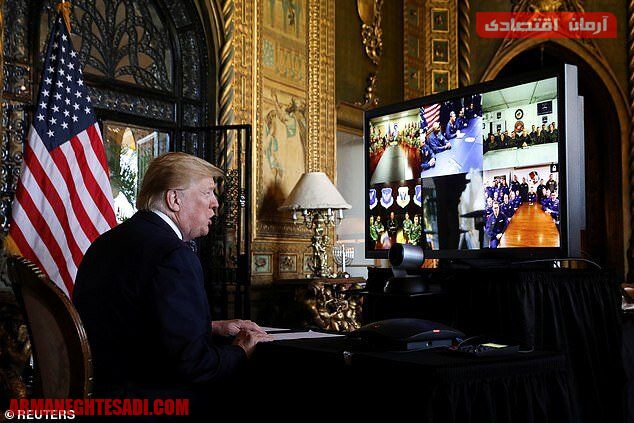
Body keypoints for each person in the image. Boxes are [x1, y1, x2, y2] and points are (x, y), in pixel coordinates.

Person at [73, 153, 272, 417]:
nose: (215, 203)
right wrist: (240, 350)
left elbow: (129, 324)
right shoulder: (173, 255)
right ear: (174, 199)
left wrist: (210, 327)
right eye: (207, 192)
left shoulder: (105, 242)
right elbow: (195, 366)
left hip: (100, 398)